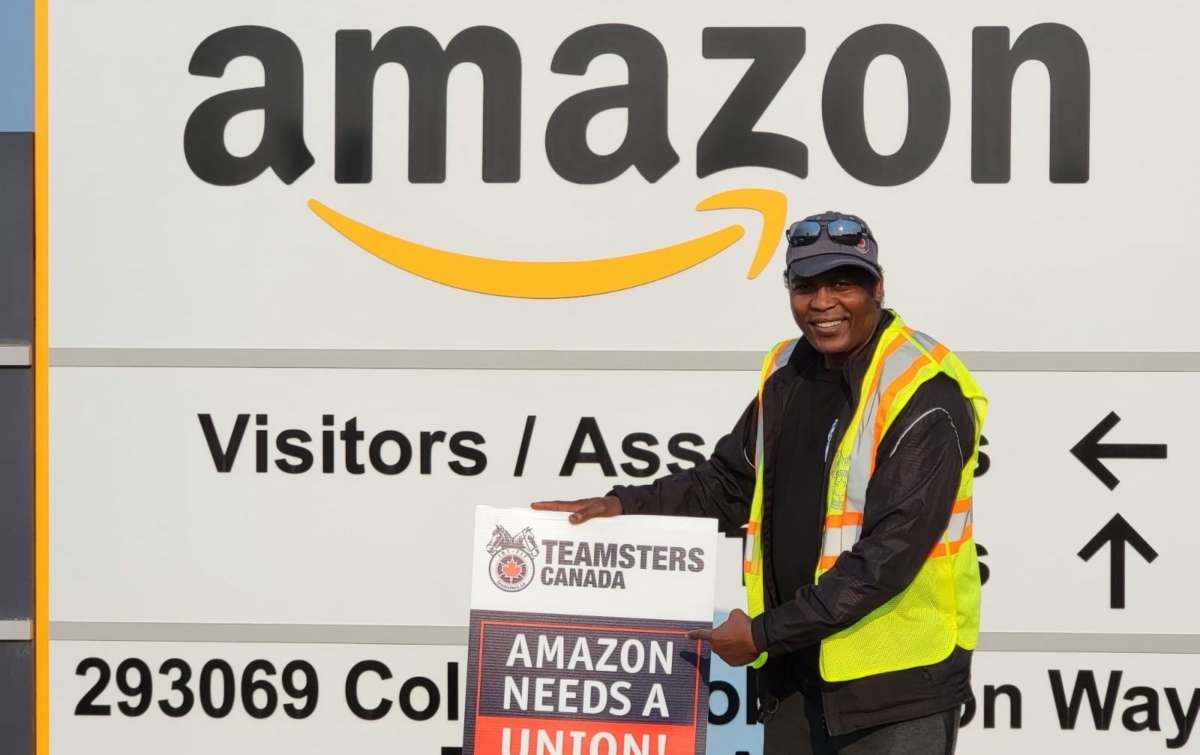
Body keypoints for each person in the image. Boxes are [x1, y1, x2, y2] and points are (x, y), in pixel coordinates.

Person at [532, 211, 987, 755]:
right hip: (796, 678)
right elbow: (726, 485)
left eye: (841, 283)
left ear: (877, 286)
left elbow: (886, 558)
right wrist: (622, 505)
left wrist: (764, 634)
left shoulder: (923, 393)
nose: (822, 303)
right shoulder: (788, 370)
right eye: (804, 286)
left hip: (895, 692)